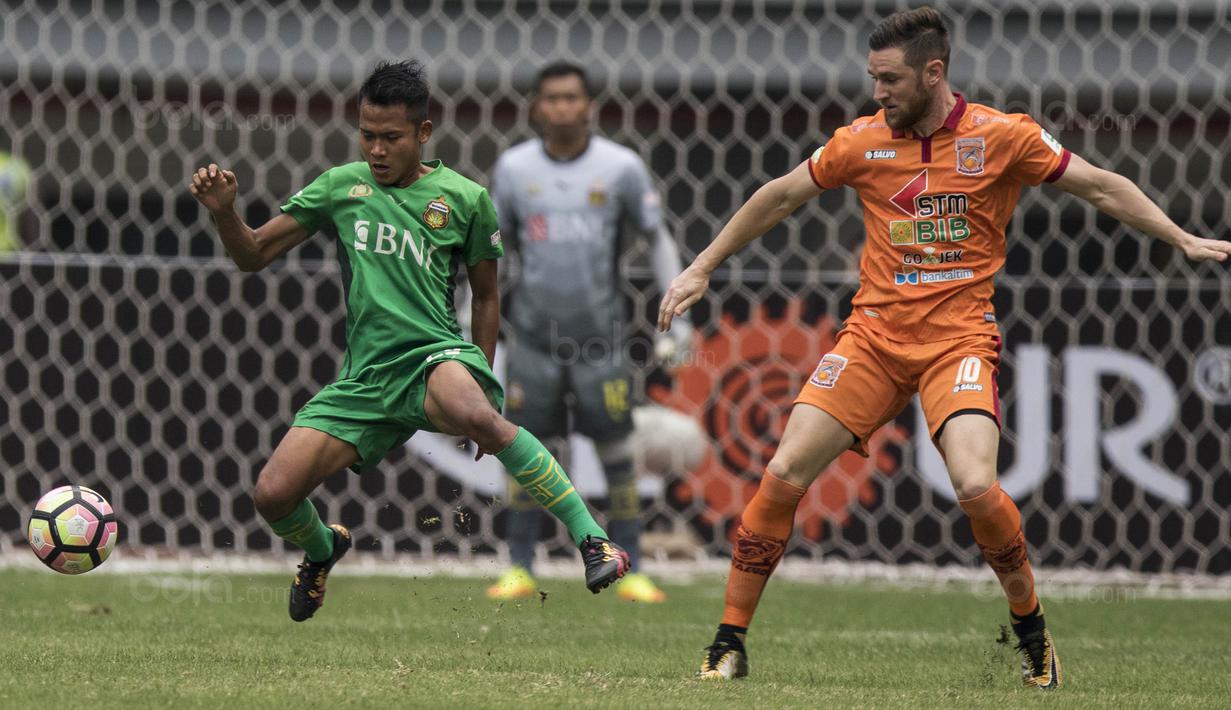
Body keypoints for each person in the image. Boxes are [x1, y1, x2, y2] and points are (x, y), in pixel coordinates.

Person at [658, 6, 1230, 688]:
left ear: (935, 72)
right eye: (872, 79)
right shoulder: (859, 142)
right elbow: (778, 196)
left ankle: (1031, 632)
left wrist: (1180, 238)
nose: (877, 93)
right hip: (870, 339)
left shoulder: (1002, 137)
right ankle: (727, 641)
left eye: (890, 79)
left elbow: (1101, 186)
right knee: (782, 472)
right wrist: (701, 266)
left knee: (974, 485)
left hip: (956, 341)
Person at [188, 60, 631, 623]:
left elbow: (488, 296)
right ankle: (325, 549)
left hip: (434, 356)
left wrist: (484, 379)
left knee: (482, 417)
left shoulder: (465, 198)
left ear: (423, 134)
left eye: (391, 138)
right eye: (367, 135)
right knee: (272, 496)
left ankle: (594, 541)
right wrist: (226, 214)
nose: (377, 149)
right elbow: (251, 255)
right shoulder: (340, 186)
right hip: (366, 379)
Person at [485, 61, 691, 604]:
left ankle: (634, 566)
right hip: (531, 338)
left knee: (618, 453)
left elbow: (659, 238)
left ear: (589, 106)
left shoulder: (619, 167)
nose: (561, 107)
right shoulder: (513, 169)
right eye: (550, 98)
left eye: (571, 97)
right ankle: (520, 566)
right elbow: (487, 251)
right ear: (535, 107)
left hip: (600, 341)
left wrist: (680, 315)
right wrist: (466, 317)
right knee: (527, 450)